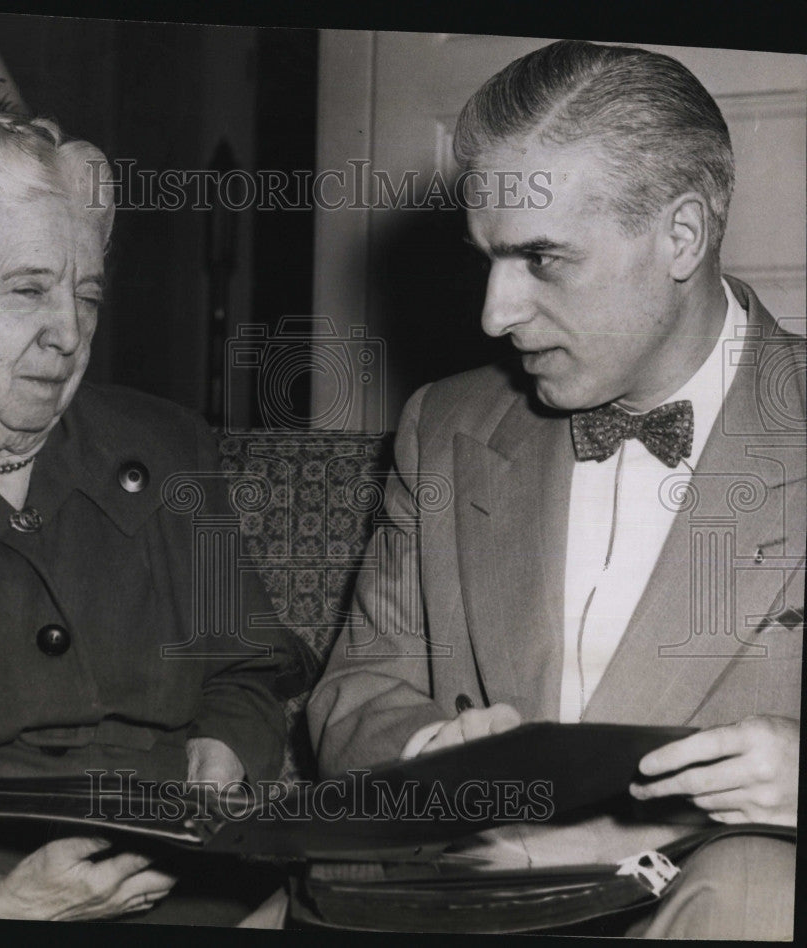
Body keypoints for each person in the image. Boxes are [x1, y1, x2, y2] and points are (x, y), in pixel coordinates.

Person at [307, 40, 802, 938]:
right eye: (487, 260)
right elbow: (353, 692)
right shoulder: (446, 427)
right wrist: (430, 754)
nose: (494, 314)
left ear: (680, 236)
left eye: (542, 259)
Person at [0, 113, 304, 921]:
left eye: (85, 295)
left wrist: (223, 752)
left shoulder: (169, 447)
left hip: (170, 878)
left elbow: (245, 674)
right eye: (28, 290)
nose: (69, 333)